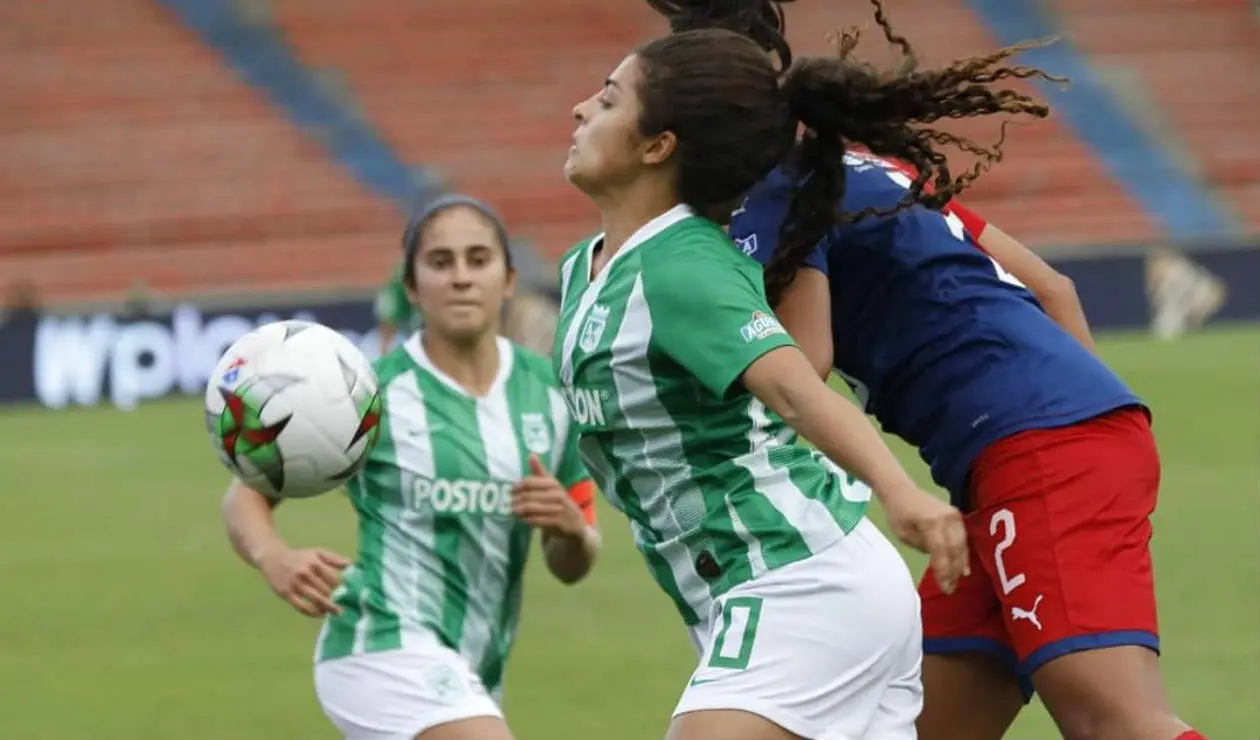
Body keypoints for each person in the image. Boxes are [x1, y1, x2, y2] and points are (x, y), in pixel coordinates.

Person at [659, 2, 1204, 739]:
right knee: (923, 725)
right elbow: (1054, 289)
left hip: (1032, 451)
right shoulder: (865, 167)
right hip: (1042, 445)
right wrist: (1095, 428)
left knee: (1110, 720)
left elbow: (805, 363)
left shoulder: (775, 193)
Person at [555, 26, 992, 740]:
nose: (580, 110)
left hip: (800, 583)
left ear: (658, 146)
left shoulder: (683, 268)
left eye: (607, 101)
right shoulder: (587, 268)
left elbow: (797, 390)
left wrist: (898, 490)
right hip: (759, 592)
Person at [222, 194, 602, 740]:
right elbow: (246, 494)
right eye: (440, 263)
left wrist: (570, 530)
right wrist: (273, 556)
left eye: (478, 260)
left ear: (508, 280)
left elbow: (572, 564)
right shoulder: (366, 396)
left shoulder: (550, 393)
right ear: (411, 286)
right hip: (377, 645)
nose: (461, 277)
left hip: (473, 666)